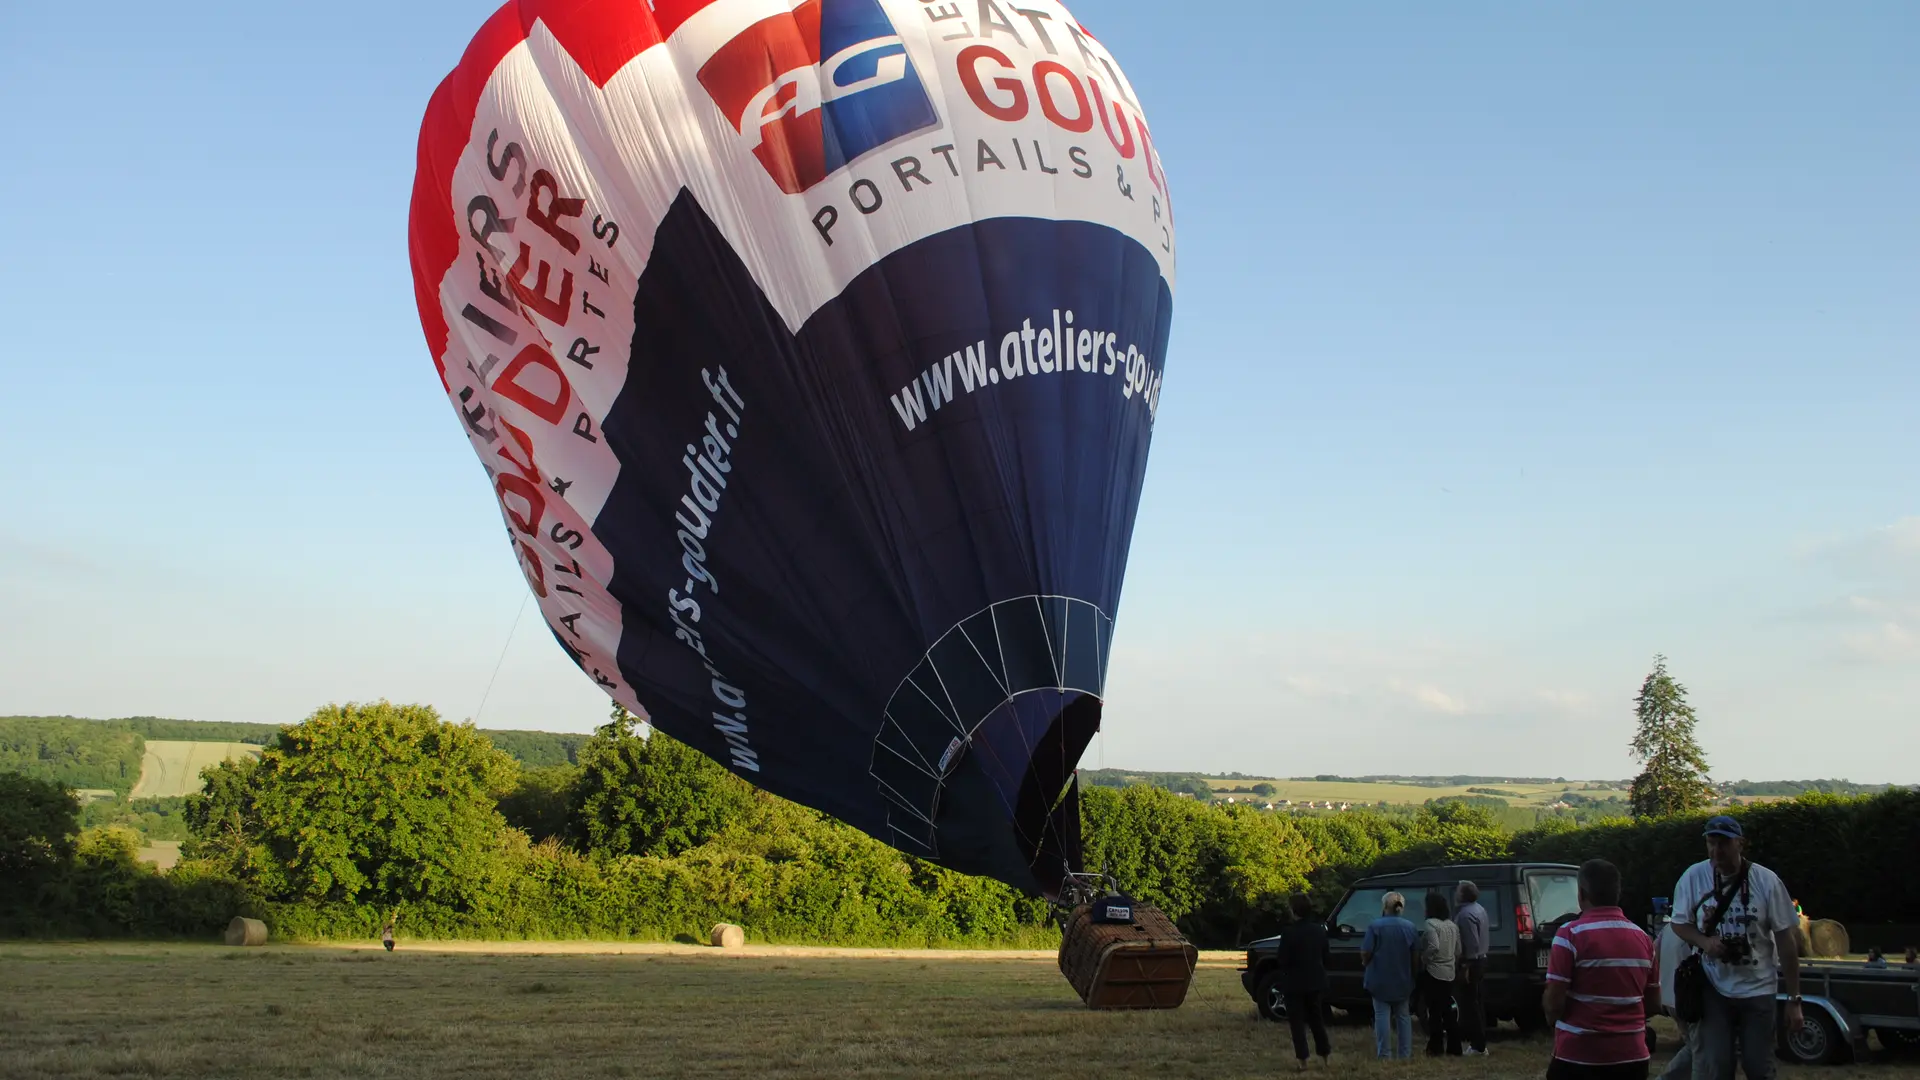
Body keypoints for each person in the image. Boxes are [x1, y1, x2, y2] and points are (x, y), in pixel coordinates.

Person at [1669, 816, 1802, 1080]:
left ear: (1740, 844)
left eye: (1724, 843)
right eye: (1711, 843)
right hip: (1713, 986)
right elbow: (1679, 924)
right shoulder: (1693, 877)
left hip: (1759, 987)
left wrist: (1794, 999)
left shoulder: (1766, 881)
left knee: (1758, 1067)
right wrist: (1706, 943)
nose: (1717, 851)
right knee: (1716, 1066)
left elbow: (1787, 941)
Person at [1543, 858, 1659, 1080]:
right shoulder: (1644, 939)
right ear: (1618, 893)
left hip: (1579, 1055)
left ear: (1581, 894)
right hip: (1632, 1056)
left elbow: (1554, 1002)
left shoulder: (1569, 935)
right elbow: (1653, 1004)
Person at [1274, 893, 1332, 1069]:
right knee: (1317, 1019)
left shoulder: (1289, 932)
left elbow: (1282, 959)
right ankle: (1325, 1057)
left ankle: (1303, 1061)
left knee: (1297, 1023)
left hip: (1294, 983)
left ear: (1293, 911)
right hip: (1315, 981)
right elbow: (1326, 957)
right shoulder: (1319, 930)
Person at [1362, 891, 1420, 1060]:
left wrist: (1366, 962)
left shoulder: (1375, 926)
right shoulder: (1410, 927)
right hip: (1403, 978)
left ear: (1384, 906)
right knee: (1404, 1017)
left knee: (1381, 1016)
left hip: (1379, 978)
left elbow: (1366, 952)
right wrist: (1413, 975)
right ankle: (1405, 1053)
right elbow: (1415, 955)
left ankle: (1384, 1053)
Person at [1419, 891, 1463, 1056]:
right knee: (1449, 1010)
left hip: (1434, 971)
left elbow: (1434, 946)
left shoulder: (1430, 924)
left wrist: (1425, 959)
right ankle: (1455, 1047)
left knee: (1434, 1012)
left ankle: (1435, 1046)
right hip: (1449, 971)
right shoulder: (1452, 926)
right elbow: (1458, 950)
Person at [1453, 879, 1491, 1055]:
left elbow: (1471, 943)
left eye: (1458, 890)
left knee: (1470, 1005)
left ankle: (1478, 1046)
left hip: (1472, 962)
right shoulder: (1480, 909)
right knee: (1477, 1002)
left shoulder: (1465, 915)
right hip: (1482, 959)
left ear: (1462, 894)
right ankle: (1480, 1042)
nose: (1455, 893)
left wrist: (1465, 966)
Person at [1654, 916, 1693, 1080]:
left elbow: (1654, 954)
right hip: (1688, 999)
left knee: (1694, 1045)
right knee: (1698, 1048)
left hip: (1670, 997)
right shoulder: (1693, 929)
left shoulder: (1668, 929)